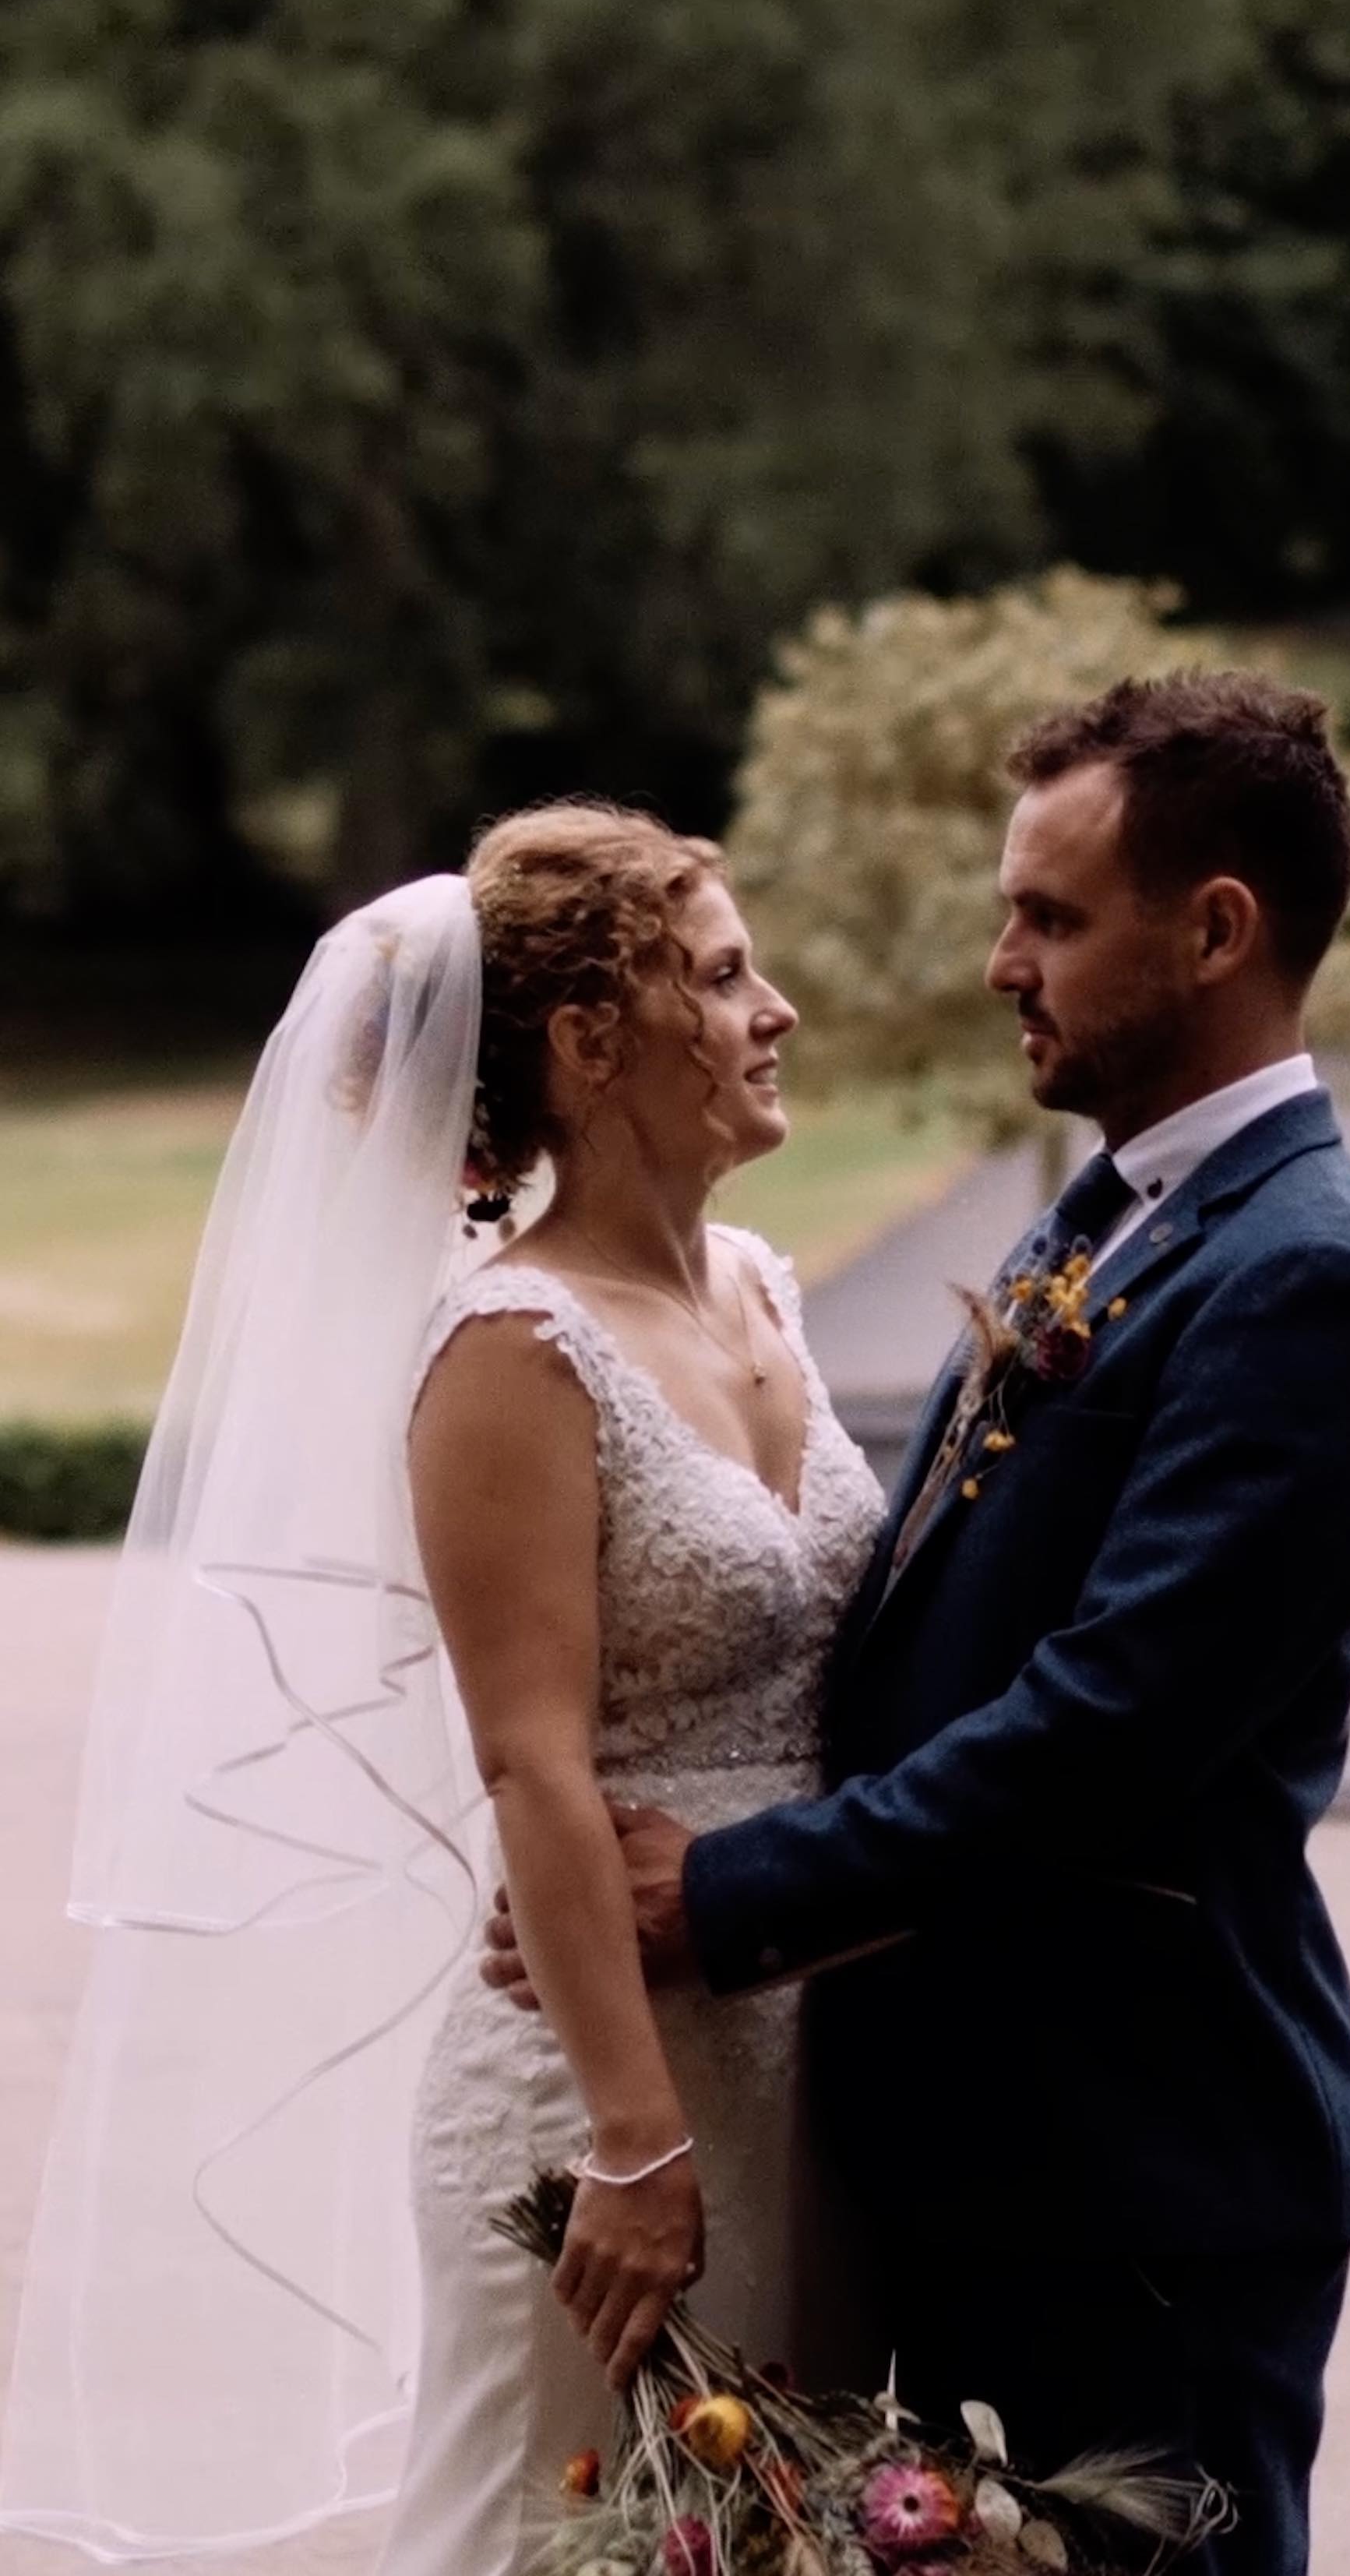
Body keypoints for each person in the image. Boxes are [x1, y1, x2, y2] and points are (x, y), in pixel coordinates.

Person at [485, 672, 1350, 2576]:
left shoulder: (1311, 1283)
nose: (1003, 962)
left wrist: (731, 1884)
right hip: (971, 2155)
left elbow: (1105, 1730)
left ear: (1218, 932)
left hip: (1144, 2181)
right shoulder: (1114, 1212)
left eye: (1051, 918)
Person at [0, 801, 885, 2565]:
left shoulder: (761, 1290)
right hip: (614, 2084)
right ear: (590, 1044)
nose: (775, 1009)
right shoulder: (512, 1350)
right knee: (554, 2533)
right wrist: (632, 2138)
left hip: (817, 2050)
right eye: (723, 977)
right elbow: (531, 1765)